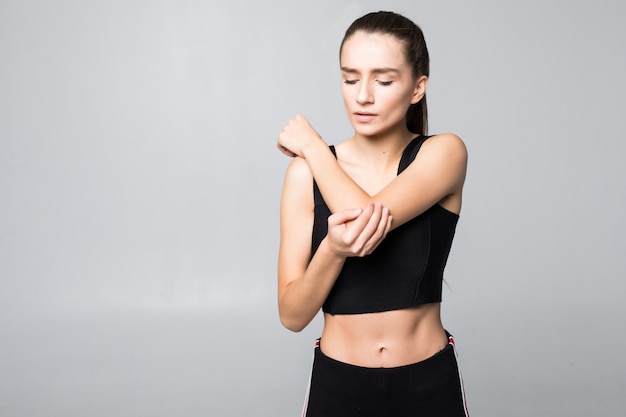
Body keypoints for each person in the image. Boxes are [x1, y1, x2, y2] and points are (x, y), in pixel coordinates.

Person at [277, 10, 469, 417]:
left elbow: (368, 221)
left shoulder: (444, 153)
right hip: (339, 385)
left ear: (418, 88)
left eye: (383, 81)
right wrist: (330, 249)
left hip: (427, 383)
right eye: (350, 79)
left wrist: (313, 148)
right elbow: (292, 316)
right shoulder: (303, 175)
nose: (363, 95)